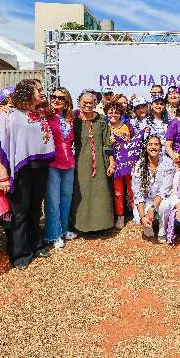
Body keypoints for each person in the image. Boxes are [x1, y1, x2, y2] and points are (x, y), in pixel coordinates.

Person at [0, 79, 55, 270]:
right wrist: (3, 175)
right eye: (39, 90)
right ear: (28, 92)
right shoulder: (9, 115)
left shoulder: (39, 113)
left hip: (40, 166)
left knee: (36, 209)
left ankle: (37, 245)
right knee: (20, 212)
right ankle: (19, 253)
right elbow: (0, 146)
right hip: (20, 169)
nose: (42, 92)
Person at [72, 91, 115, 233]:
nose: (88, 105)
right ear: (79, 102)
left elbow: (107, 144)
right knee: (82, 192)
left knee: (100, 192)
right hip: (81, 163)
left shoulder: (102, 120)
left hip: (100, 162)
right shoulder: (74, 121)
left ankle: (102, 224)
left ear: (95, 103)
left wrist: (111, 162)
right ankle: (82, 225)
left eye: (91, 102)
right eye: (85, 102)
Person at [44, 87, 77, 249]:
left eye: (61, 98)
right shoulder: (45, 116)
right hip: (52, 162)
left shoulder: (70, 118)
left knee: (66, 197)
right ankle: (53, 234)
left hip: (69, 162)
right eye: (54, 97)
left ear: (67, 102)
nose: (56, 100)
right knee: (53, 200)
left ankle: (64, 230)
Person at [132, 135, 175, 242]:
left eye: (156, 144)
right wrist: (143, 217)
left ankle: (162, 228)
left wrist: (152, 208)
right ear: (146, 147)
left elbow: (164, 191)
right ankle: (148, 223)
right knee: (138, 218)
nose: (153, 147)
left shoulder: (167, 163)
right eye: (150, 144)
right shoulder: (139, 165)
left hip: (162, 199)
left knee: (165, 206)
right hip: (147, 199)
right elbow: (138, 194)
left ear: (160, 147)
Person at [106, 101, 134, 229]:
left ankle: (136, 213)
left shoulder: (127, 126)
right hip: (115, 164)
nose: (113, 114)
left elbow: (134, 143)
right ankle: (120, 216)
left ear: (121, 113)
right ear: (106, 113)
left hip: (128, 163)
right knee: (118, 192)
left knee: (132, 189)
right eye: (110, 111)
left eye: (116, 112)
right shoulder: (105, 127)